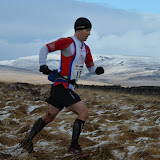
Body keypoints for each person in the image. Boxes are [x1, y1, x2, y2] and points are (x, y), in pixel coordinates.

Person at [20, 17, 104, 158]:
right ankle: (73, 147)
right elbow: (45, 48)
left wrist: (97, 70)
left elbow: (90, 67)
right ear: (79, 29)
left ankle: (26, 142)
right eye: (88, 30)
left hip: (67, 87)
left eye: (90, 31)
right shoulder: (67, 42)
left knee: (49, 116)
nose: (89, 33)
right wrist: (42, 65)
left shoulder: (86, 48)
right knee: (83, 114)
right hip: (61, 86)